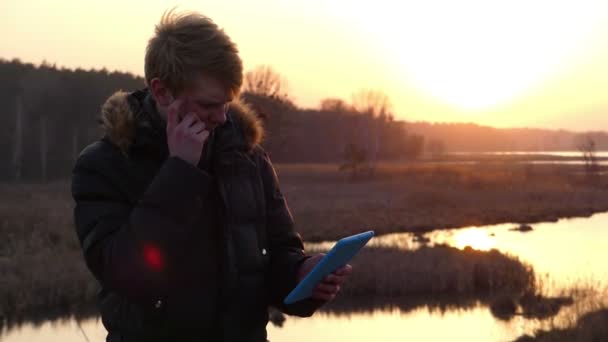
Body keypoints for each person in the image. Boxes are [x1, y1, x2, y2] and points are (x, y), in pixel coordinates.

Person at [71, 9, 352, 342]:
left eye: (228, 103)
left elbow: (275, 255)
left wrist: (303, 275)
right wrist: (180, 172)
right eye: (207, 105)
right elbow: (126, 274)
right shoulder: (104, 166)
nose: (222, 118)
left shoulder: (247, 157)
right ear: (162, 92)